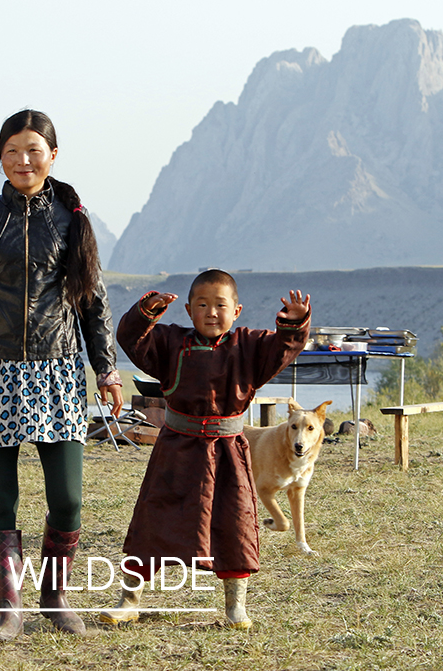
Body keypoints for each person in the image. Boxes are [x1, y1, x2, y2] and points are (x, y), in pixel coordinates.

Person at [0, 109, 122, 641]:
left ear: (53, 156)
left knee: (67, 498)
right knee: (1, 498)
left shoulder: (73, 220)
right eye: (11, 150)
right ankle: (8, 608)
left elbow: (93, 302)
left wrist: (105, 368)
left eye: (33, 150)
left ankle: (54, 596)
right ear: (1, 157)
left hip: (58, 373)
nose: (22, 160)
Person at [99, 269, 311, 629]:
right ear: (187, 310)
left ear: (237, 311)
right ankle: (128, 600)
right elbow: (131, 339)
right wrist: (144, 312)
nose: (211, 312)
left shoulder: (250, 345)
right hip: (176, 451)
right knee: (153, 521)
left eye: (220, 305)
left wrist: (294, 324)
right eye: (202, 305)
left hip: (227, 454)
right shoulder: (170, 343)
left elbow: (282, 349)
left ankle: (235, 608)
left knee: (235, 525)